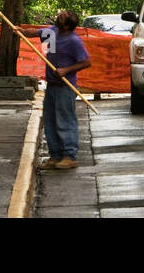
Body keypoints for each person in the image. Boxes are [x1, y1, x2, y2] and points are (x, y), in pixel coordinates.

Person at [20, 10, 91, 170]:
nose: (58, 17)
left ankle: (69, 156)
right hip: (51, 86)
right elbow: (35, 33)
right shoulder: (52, 32)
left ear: (67, 26)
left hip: (65, 87)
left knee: (65, 120)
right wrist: (21, 31)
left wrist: (66, 70)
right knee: (50, 121)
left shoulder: (74, 41)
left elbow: (86, 62)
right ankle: (55, 155)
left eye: (61, 18)